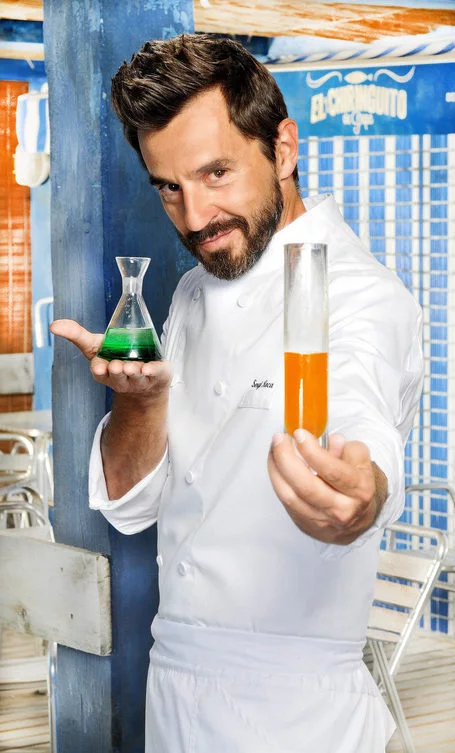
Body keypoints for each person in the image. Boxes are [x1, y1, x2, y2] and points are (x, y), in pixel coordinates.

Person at [51, 33, 423, 753]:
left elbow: (361, 412)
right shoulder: (193, 290)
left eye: (216, 173)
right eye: (169, 187)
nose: (194, 217)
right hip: (173, 686)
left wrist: (362, 492)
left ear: (282, 149)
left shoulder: (360, 295)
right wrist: (141, 402)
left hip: (297, 713)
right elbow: (131, 508)